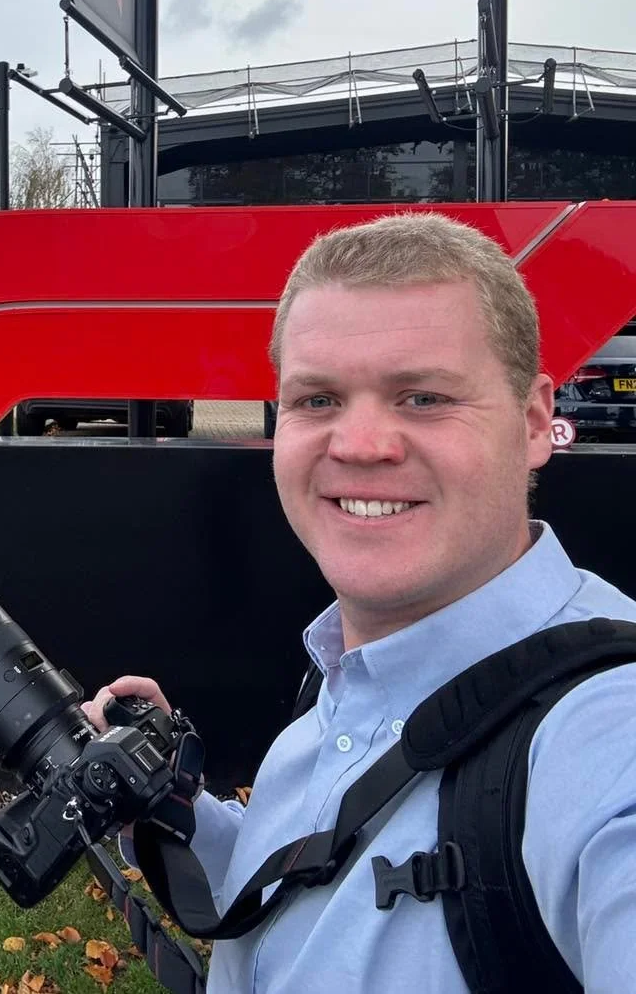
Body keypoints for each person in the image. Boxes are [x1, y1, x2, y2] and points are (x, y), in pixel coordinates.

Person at [81, 212, 636, 993]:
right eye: (317, 399)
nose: (360, 443)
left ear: (537, 420)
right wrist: (171, 805)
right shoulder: (346, 668)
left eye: (422, 396)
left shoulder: (604, 728)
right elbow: (315, 880)